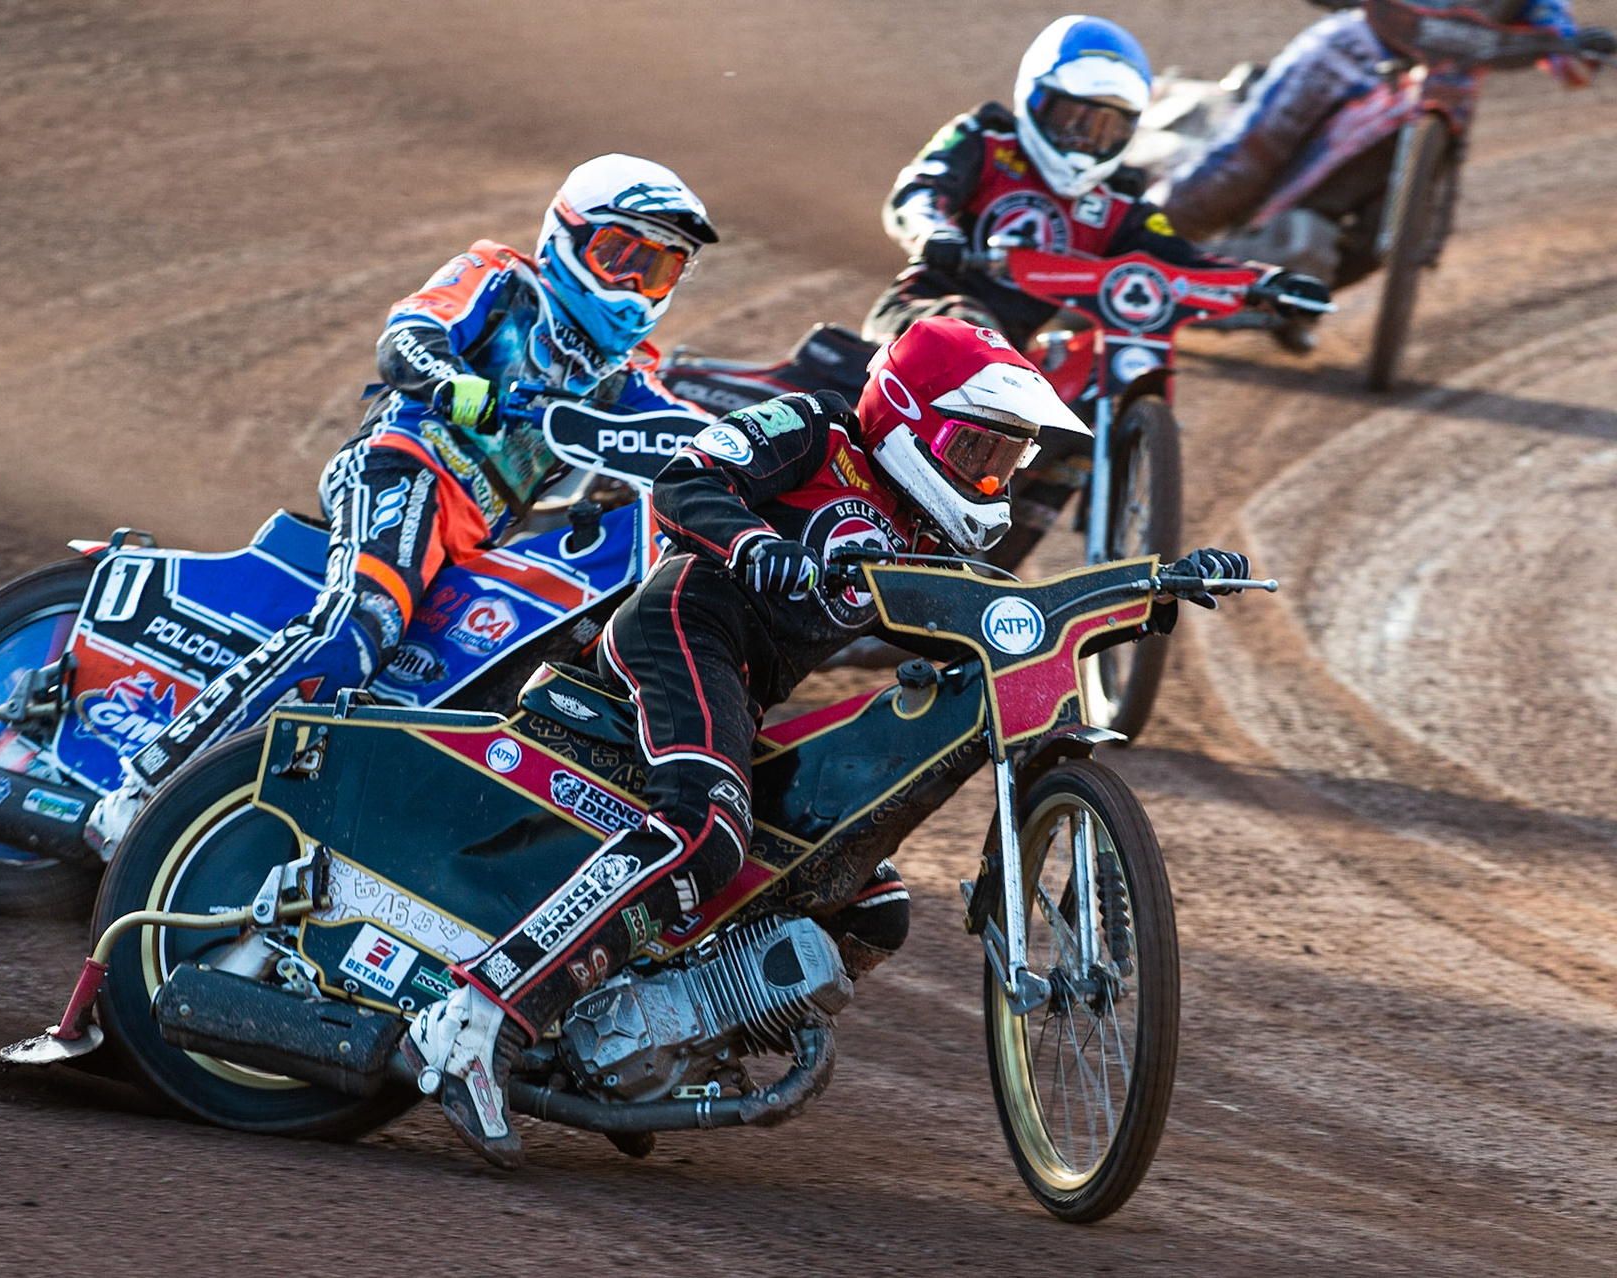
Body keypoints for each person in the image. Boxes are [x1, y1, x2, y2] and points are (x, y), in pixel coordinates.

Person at [403, 316, 1246, 1169]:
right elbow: (684, 478)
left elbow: (1009, 616)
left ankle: (655, 1043)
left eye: (1005, 461)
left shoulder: (922, 531)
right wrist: (754, 543)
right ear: (910, 415)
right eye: (976, 451)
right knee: (705, 831)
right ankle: (475, 1020)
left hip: (742, 689)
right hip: (685, 622)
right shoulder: (818, 429)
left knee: (871, 908)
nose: (989, 479)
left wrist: (1147, 586)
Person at [83, 155, 717, 854]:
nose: (634, 286)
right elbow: (409, 334)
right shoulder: (503, 281)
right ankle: (146, 790)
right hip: (403, 469)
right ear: (567, 235)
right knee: (364, 621)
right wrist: (452, 382)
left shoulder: (624, 378)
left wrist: (768, 456)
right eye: (621, 256)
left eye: (658, 269)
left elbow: (693, 434)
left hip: (475, 542)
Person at [864, 14, 1328, 351]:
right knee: (969, 329)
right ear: (1037, 98)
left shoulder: (1118, 200)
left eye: (1107, 129)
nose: (1085, 142)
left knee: (1081, 377)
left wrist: (1268, 283)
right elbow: (920, 192)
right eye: (1074, 121)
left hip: (1011, 360)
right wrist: (933, 231)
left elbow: (1183, 259)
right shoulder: (985, 138)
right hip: (920, 315)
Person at [1159, 1, 1608, 245]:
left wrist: (1581, 48)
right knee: (1233, 172)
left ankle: (1297, 293)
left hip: (1443, 92)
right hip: (1349, 53)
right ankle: (1136, 248)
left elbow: (1569, 62)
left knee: (1397, 228)